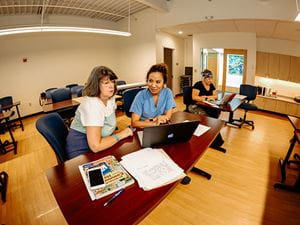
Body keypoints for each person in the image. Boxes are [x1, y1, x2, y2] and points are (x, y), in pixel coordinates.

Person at [65, 66, 133, 159]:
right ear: (96, 85)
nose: (111, 85)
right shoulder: (92, 105)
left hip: (101, 143)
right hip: (82, 152)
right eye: (106, 83)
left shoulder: (110, 98)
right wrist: (122, 134)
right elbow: (96, 147)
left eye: (112, 81)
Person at [189, 69, 225, 151]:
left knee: (215, 113)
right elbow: (194, 97)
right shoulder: (198, 85)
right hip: (195, 106)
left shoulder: (211, 85)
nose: (210, 80)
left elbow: (216, 96)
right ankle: (213, 140)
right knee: (207, 118)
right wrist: (207, 97)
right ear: (204, 78)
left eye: (211, 78)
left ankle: (212, 137)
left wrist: (206, 97)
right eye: (209, 78)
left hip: (206, 105)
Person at [130, 63, 176, 128]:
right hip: (143, 129)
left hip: (160, 127)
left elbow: (168, 116)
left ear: (164, 83)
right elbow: (134, 123)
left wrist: (156, 120)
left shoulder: (167, 92)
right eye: (150, 81)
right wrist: (154, 123)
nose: (153, 85)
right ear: (147, 80)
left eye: (158, 82)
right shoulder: (141, 95)